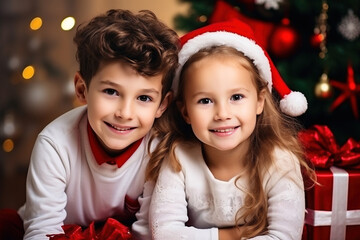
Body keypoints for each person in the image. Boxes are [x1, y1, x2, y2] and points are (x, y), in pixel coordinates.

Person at [0, 9, 179, 240]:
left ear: (162, 105)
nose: (125, 113)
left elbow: (148, 231)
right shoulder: (55, 143)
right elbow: (42, 230)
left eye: (144, 98)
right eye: (111, 91)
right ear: (82, 90)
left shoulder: (160, 148)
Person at [145, 19, 315, 240]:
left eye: (236, 97)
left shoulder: (280, 161)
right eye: (205, 101)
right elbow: (165, 233)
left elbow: (284, 237)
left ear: (259, 101)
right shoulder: (179, 158)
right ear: (185, 111)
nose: (222, 114)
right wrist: (234, 234)